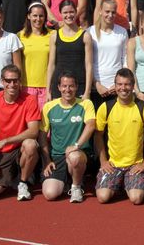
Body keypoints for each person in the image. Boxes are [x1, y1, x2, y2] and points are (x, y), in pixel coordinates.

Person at [95, 68, 144, 205]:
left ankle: (141, 180)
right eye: (119, 84)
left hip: (135, 164)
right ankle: (120, 182)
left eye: (127, 84)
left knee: (136, 199)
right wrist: (103, 161)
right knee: (103, 197)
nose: (123, 88)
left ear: (133, 86)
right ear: (115, 86)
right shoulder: (106, 107)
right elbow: (98, 136)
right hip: (113, 164)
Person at [0, 65, 40, 201]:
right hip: (2, 153)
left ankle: (23, 182)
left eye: (15, 81)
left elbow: (33, 131)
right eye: (8, 81)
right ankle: (12, 177)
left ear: (20, 82)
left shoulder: (29, 100)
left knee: (30, 144)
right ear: (2, 81)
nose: (12, 84)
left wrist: (6, 141)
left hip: (20, 149)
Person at [40, 72, 95, 203]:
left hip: (79, 153)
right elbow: (42, 136)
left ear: (77, 87)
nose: (67, 90)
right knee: (50, 194)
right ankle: (66, 182)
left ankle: (76, 186)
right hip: (57, 157)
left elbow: (91, 126)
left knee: (74, 157)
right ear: (58, 87)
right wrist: (47, 160)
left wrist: (76, 146)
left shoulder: (86, 104)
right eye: (64, 86)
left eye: (71, 86)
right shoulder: (49, 107)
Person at [46, 0, 92, 101]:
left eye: (71, 12)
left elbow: (88, 65)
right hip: (58, 86)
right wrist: (48, 91)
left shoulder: (85, 36)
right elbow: (51, 64)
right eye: (65, 12)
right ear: (60, 14)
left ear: (76, 12)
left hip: (79, 85)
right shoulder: (54, 36)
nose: (69, 15)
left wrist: (87, 91)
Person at [89, 0, 128, 108]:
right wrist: (96, 84)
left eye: (113, 12)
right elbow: (88, 62)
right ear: (100, 10)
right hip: (96, 88)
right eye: (107, 11)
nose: (110, 15)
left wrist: (119, 84)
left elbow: (125, 59)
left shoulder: (122, 32)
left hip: (115, 89)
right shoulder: (90, 32)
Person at [18, 2, 52, 110]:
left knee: (44, 124)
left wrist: (49, 89)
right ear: (29, 16)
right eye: (35, 15)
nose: (38, 19)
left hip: (47, 87)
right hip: (26, 86)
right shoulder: (19, 36)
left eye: (41, 16)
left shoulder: (53, 35)